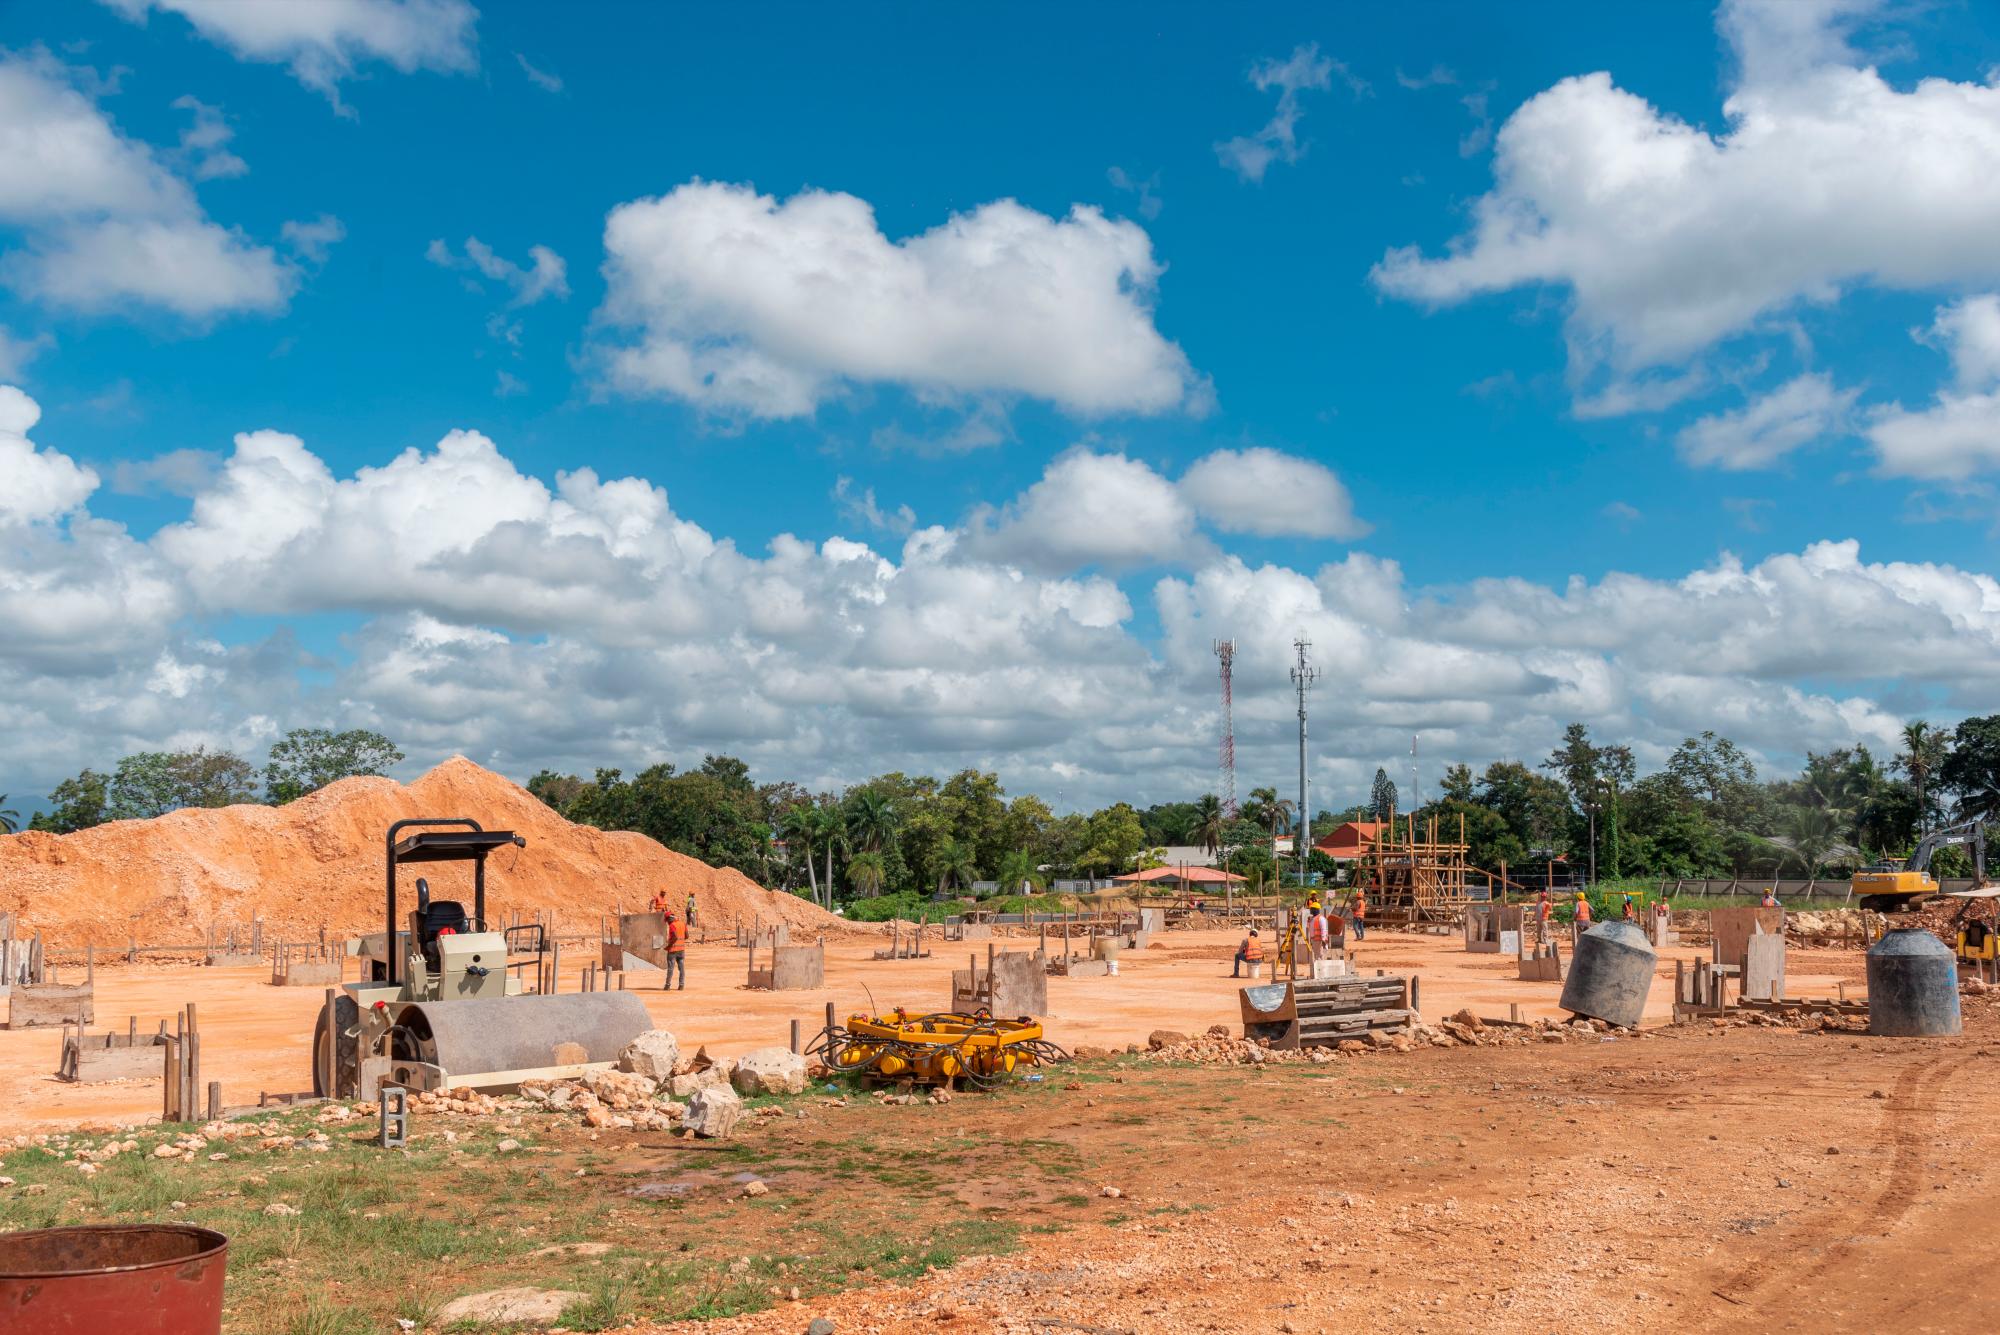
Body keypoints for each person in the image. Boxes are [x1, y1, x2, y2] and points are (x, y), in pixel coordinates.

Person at [661, 909, 686, 990]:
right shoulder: (682, 924)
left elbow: (675, 937)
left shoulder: (672, 925)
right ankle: (681, 985)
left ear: (669, 918)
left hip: (673, 950)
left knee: (670, 968)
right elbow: (687, 936)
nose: (667, 923)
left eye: (667, 920)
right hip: (681, 950)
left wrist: (669, 946)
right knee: (681, 968)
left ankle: (667, 985)